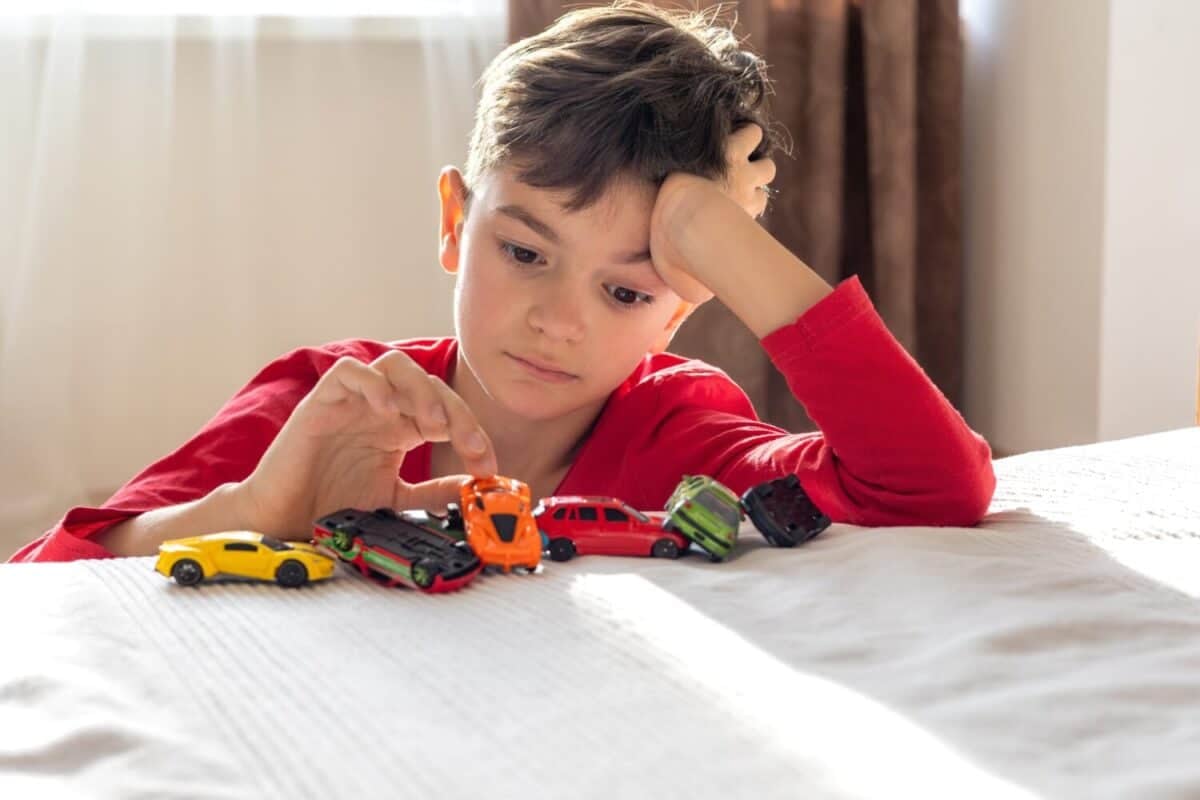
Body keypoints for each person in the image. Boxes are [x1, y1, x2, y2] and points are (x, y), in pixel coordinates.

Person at [10, 1, 994, 563]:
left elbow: (935, 484)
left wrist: (712, 234)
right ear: (454, 220)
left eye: (626, 291)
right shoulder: (333, 396)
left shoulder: (681, 434)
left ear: (687, 300)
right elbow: (44, 584)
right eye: (524, 252)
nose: (556, 321)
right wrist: (259, 507)